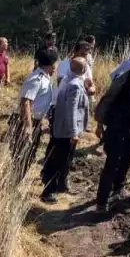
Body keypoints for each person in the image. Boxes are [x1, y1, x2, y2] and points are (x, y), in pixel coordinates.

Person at [93, 50, 130, 213]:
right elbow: (107, 101)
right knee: (112, 162)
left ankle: (118, 188)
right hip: (116, 128)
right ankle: (101, 202)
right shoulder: (122, 80)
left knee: (127, 159)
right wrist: (99, 124)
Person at [40, 55, 90, 202]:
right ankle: (49, 191)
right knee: (59, 160)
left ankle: (60, 185)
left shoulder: (68, 80)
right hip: (65, 131)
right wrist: (74, 132)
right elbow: (72, 110)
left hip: (61, 127)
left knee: (63, 159)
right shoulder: (74, 84)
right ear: (84, 69)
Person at [9, 49, 57, 182]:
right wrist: (28, 126)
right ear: (51, 63)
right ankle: (10, 186)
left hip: (35, 122)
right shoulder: (36, 79)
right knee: (21, 156)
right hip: (25, 122)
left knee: (28, 156)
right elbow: (25, 103)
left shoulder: (46, 77)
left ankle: (14, 184)